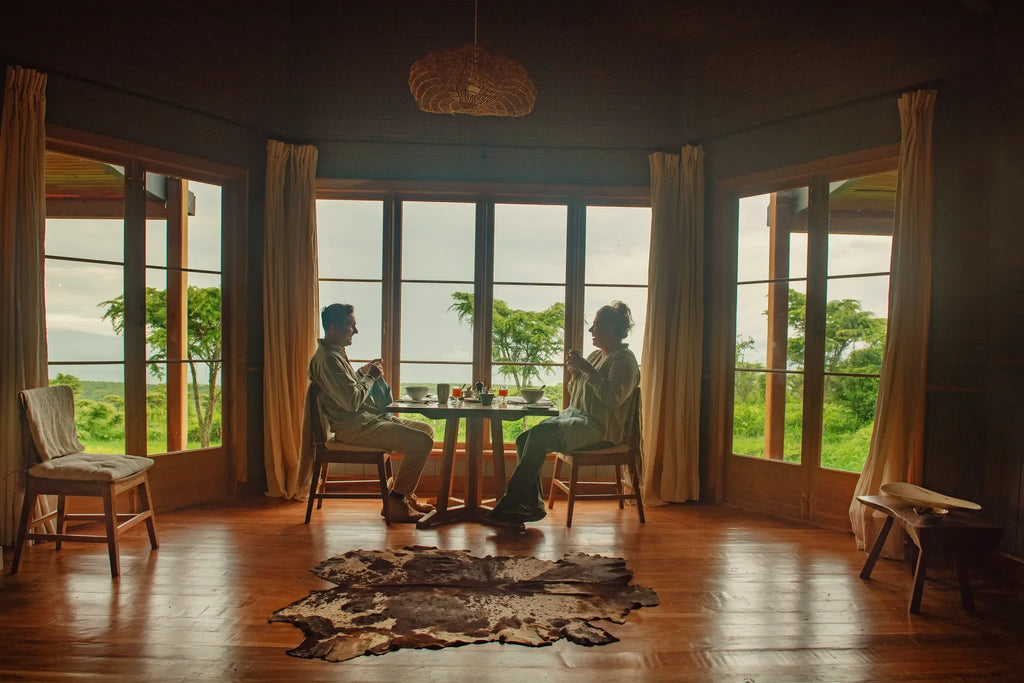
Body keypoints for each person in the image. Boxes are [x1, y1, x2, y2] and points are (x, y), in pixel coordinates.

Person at [487, 301, 640, 528]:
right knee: (523, 439)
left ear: (612, 329)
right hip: (578, 418)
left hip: (600, 429)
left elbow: (612, 399)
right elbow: (577, 394)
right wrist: (575, 374)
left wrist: (587, 370)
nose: (591, 331)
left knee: (538, 436)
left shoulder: (624, 360)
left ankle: (512, 504)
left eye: (596, 326)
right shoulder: (597, 356)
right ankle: (531, 506)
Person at [309, 303, 435, 523]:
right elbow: (351, 401)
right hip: (356, 429)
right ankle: (395, 502)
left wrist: (361, 372)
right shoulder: (328, 360)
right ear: (333, 328)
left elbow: (345, 389)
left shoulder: (335, 354)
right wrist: (371, 377)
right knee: (421, 442)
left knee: (426, 430)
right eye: (351, 326)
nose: (356, 331)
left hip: (366, 421)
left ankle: (404, 496)